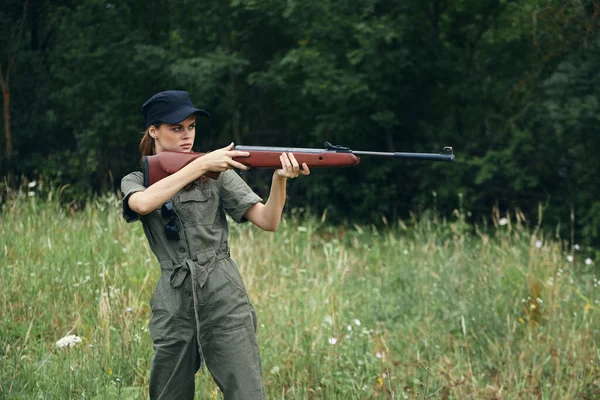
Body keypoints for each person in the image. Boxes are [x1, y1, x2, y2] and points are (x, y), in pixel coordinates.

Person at [120, 90, 310, 400]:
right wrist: (199, 165)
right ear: (153, 130)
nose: (187, 136)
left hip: (224, 295)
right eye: (176, 128)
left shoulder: (216, 172)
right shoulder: (139, 178)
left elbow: (268, 220)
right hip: (173, 301)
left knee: (248, 393)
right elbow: (141, 204)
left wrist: (280, 179)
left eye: (191, 127)